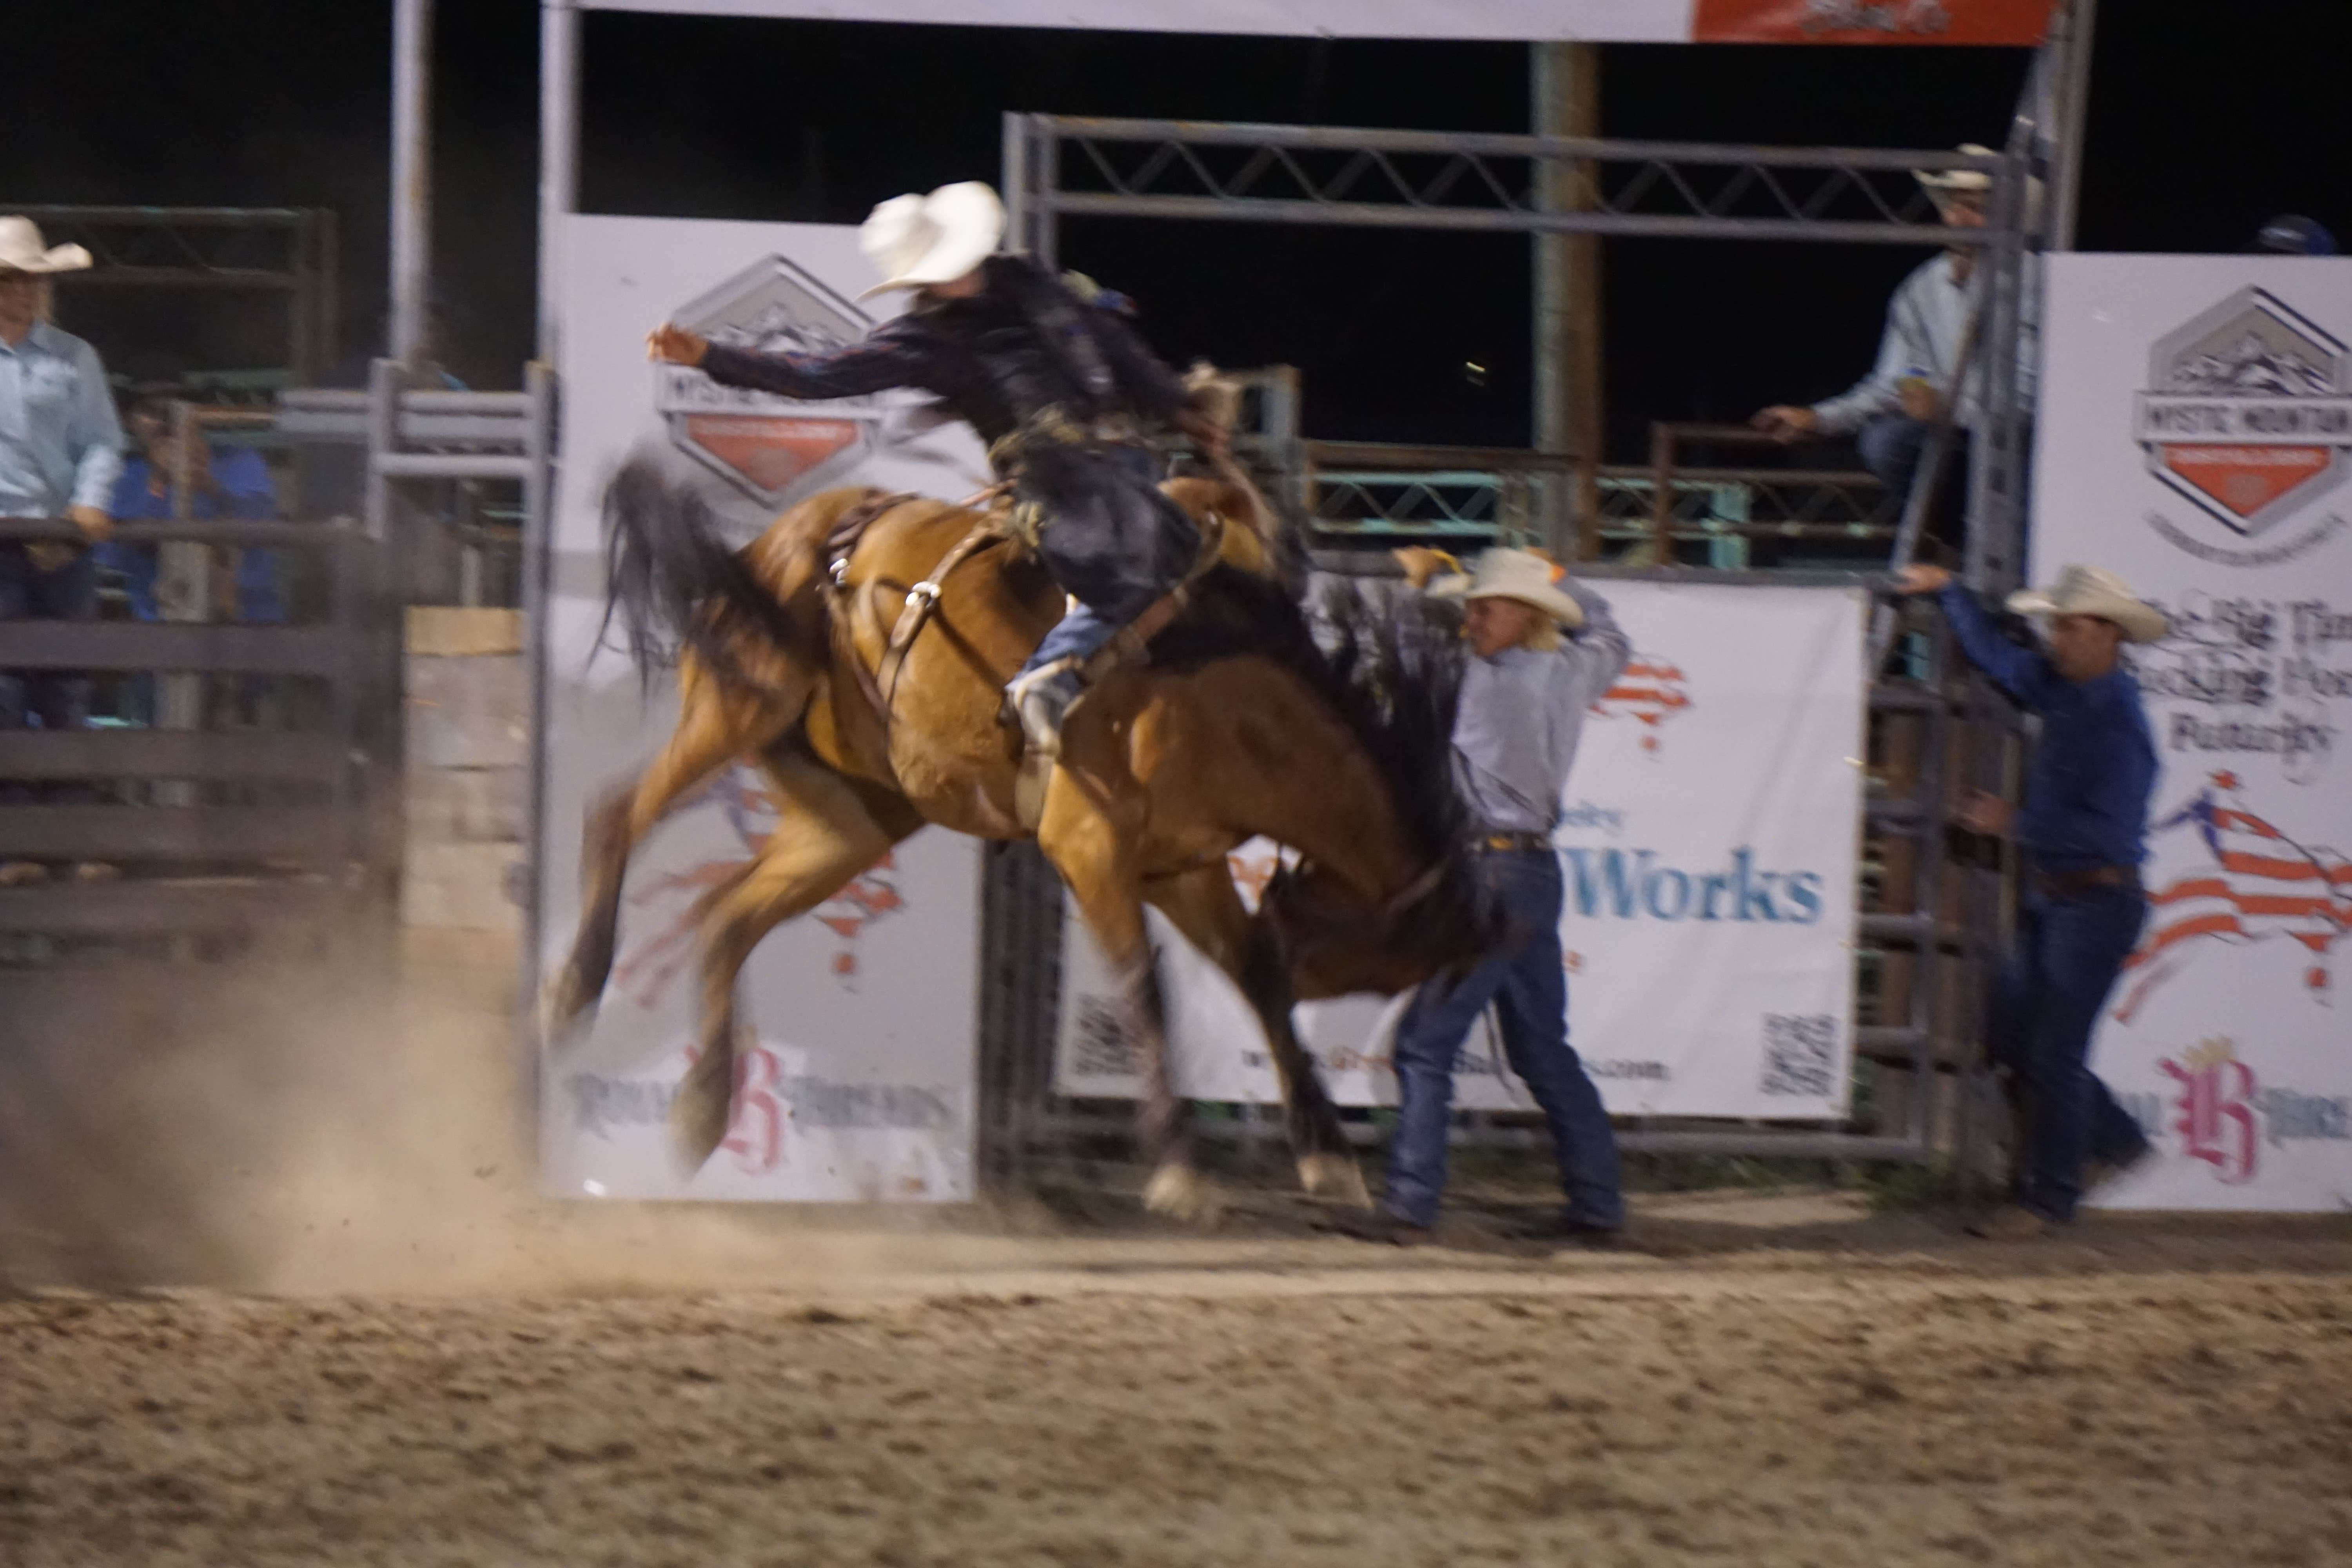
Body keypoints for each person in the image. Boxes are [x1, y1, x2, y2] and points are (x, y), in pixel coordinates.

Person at [645, 181, 1226, 758]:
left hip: (1127, 459)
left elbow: (1112, 347)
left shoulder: (1033, 284)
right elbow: (818, 376)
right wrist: (712, 357)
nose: (957, 272)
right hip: (1058, 482)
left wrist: (1179, 406)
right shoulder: (922, 341)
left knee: (1221, 557)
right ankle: (1047, 675)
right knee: (1147, 566)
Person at [1339, 546, 1632, 1245]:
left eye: (1488, 609)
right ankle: (1597, 1205)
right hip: (1531, 874)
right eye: (1473, 609)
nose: (1472, 621)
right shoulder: (1569, 672)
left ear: (1525, 616)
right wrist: (1555, 576)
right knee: (1542, 1050)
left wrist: (1420, 584)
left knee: (1425, 1044)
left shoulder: (1480, 685)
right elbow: (1610, 633)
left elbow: (1402, 657)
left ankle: (1412, 1204)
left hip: (1485, 877)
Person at [1895, 561, 2167, 1240]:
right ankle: (2113, 1142)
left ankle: (2052, 1197)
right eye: (2057, 626)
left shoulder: (2119, 727)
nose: (2056, 639)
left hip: (2095, 902)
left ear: (2108, 634)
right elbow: (2000, 659)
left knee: (2050, 1052)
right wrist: (1951, 592)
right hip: (2067, 900)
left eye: (2070, 627)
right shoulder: (2077, 695)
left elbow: (2111, 836)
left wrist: (2014, 823)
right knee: (2021, 1038)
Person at [1752, 145, 2036, 549]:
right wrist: (1819, 418)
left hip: (2026, 446)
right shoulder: (1921, 290)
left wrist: (1945, 409)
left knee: (1901, 443)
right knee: (1888, 442)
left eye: (1974, 208)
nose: (1958, 218)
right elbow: (1890, 385)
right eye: (1951, 206)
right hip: (1962, 446)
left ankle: (1982, 549)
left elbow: (2030, 398)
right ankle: (1968, 547)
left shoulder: (2032, 282)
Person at [0, 217, 123, 886]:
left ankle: (70, 841)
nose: (22, 290)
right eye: (10, 279)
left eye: (30, 279)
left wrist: (88, 503)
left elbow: (102, 440)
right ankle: (18, 843)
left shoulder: (74, 358)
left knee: (65, 689)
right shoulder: (71, 358)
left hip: (60, 541)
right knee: (4, 693)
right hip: (5, 540)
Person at [101, 387, 284, 727]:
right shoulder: (128, 475)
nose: (165, 419)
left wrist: (205, 482)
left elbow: (260, 527)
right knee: (159, 738)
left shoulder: (239, 461)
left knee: (241, 738)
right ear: (132, 420)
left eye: (174, 406)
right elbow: (114, 554)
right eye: (151, 410)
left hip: (244, 625)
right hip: (159, 633)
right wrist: (159, 482)